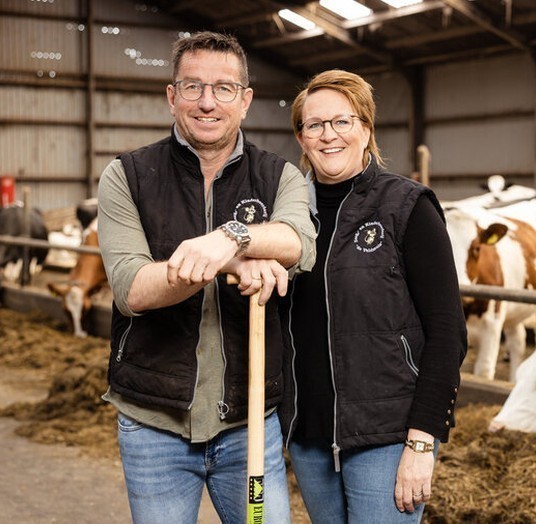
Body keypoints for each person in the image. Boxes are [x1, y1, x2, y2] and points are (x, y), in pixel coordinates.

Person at [96, 31, 316, 524]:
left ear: (246, 101)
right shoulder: (126, 176)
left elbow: (299, 242)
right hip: (154, 425)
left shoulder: (279, 176)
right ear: (172, 97)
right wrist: (232, 262)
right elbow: (132, 288)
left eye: (224, 88)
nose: (208, 102)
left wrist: (229, 238)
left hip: (249, 424)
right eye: (192, 87)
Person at [280, 69, 467, 523]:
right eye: (315, 125)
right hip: (308, 436)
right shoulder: (285, 216)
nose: (330, 136)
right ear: (302, 138)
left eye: (342, 122)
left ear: (365, 128)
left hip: (387, 435)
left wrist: (423, 440)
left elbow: (447, 334)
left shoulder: (407, 207)